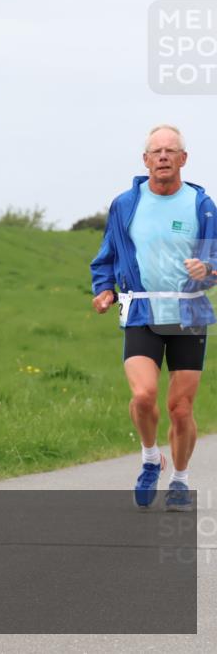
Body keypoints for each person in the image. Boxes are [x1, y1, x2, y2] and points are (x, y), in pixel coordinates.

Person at [90, 124, 217, 512]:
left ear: (183, 159)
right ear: (145, 160)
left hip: (188, 311)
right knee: (144, 396)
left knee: (181, 408)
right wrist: (104, 288)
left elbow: (215, 261)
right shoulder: (125, 204)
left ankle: (180, 480)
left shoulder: (202, 205)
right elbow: (107, 255)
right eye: (156, 151)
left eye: (170, 151)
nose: (163, 156)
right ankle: (150, 458)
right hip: (141, 310)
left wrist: (207, 270)